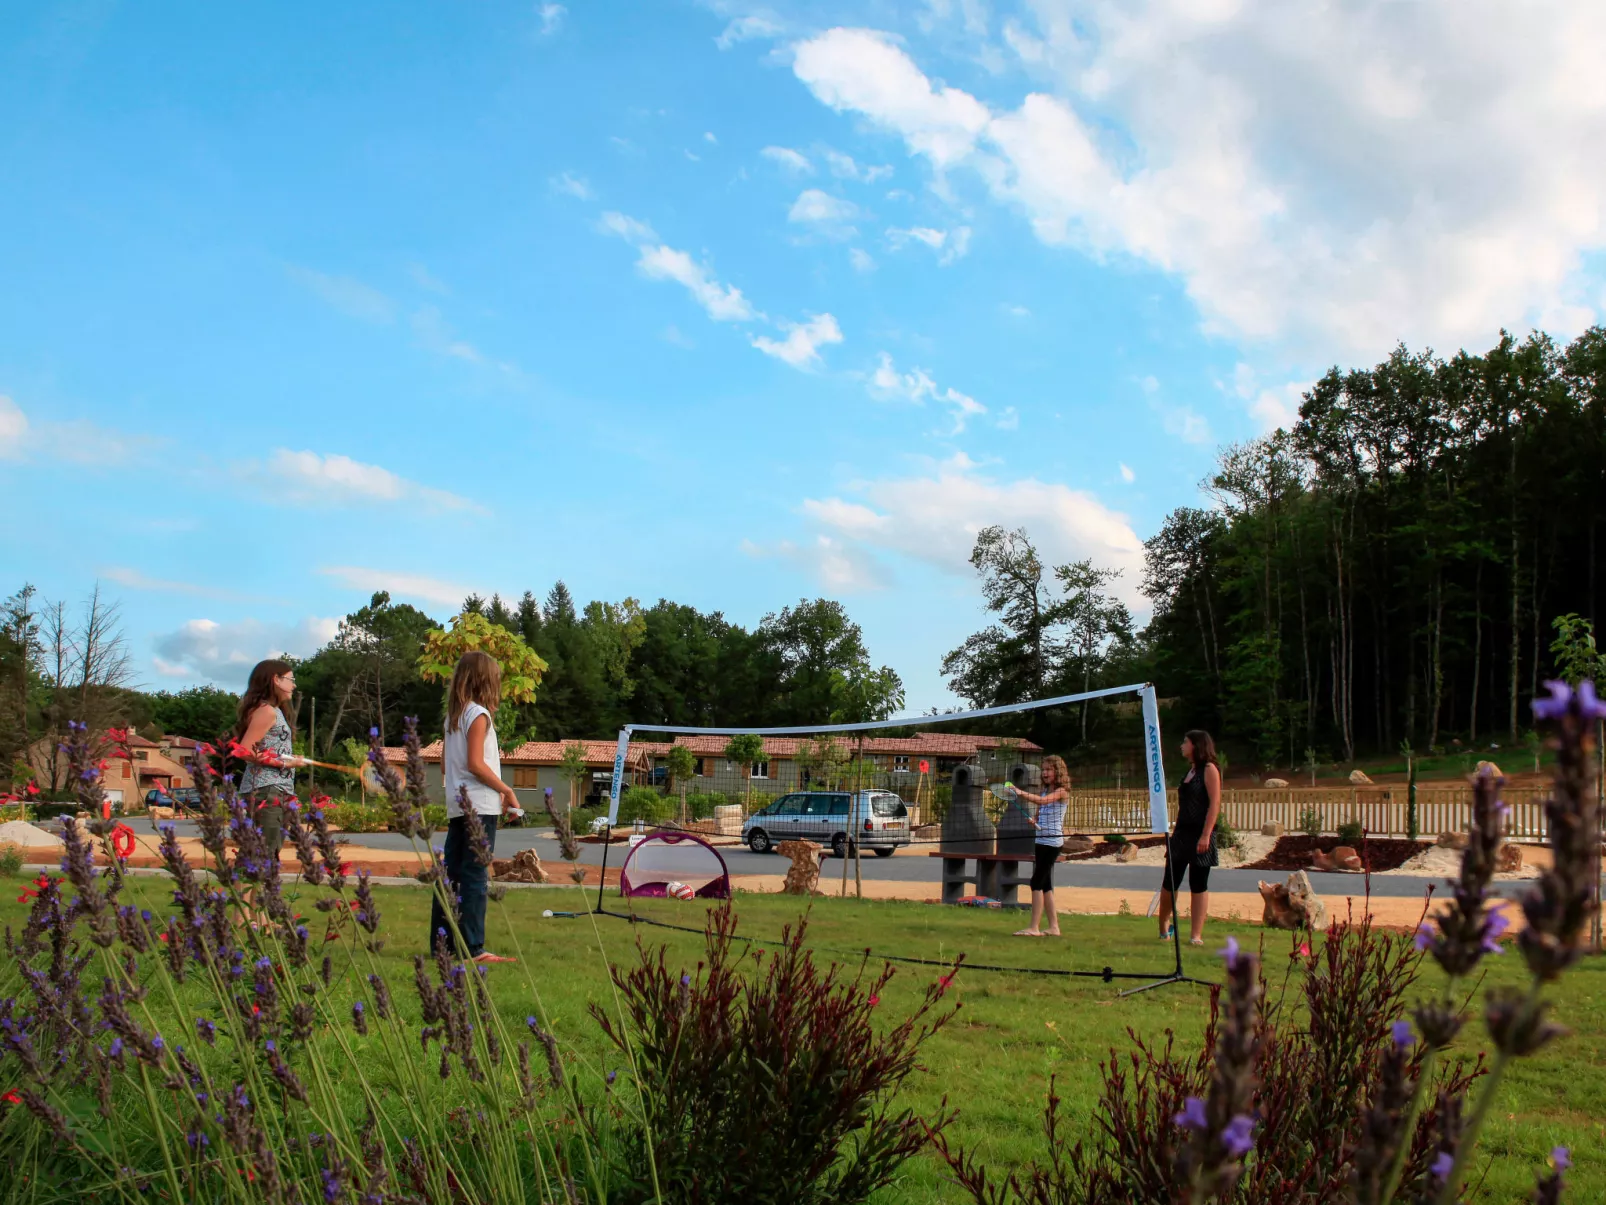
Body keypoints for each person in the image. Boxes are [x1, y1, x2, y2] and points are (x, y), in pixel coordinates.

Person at [431, 650, 520, 964]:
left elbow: (446, 766)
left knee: (451, 875)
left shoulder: (453, 717)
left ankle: (442, 946)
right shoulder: (479, 715)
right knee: (475, 877)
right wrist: (506, 790)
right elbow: (475, 764)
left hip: (457, 805)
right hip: (479, 806)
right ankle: (473, 949)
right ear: (486, 680)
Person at [235, 659, 309, 862]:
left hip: (275, 789)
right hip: (266, 789)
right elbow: (243, 751)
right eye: (290, 679)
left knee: (259, 854)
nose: (294, 685)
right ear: (276, 680)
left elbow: (268, 749)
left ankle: (249, 894)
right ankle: (247, 893)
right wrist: (284, 763)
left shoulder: (273, 711)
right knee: (261, 855)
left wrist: (287, 758)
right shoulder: (266, 711)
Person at [1157, 729, 1222, 946]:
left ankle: (1196, 935)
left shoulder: (1209, 769)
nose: (1181, 746)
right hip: (1182, 833)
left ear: (1196, 745)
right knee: (1170, 880)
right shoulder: (1190, 771)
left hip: (1200, 833)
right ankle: (1163, 924)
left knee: (1198, 883)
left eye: (1185, 742)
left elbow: (1215, 804)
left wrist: (1206, 835)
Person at [1010, 755, 1070, 937]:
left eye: (1049, 769)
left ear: (1058, 771)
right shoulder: (1044, 791)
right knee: (1045, 885)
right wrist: (1034, 820)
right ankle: (1054, 927)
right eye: (1043, 769)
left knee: (1036, 881)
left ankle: (1034, 927)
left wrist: (1020, 792)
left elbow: (1043, 802)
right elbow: (1040, 811)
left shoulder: (1062, 791)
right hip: (1041, 841)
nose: (1045, 773)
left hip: (1053, 842)